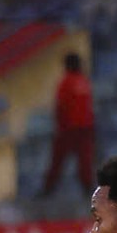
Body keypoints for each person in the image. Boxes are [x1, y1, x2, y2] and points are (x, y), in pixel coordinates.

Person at [39, 53, 95, 198]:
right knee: (84, 162)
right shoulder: (84, 82)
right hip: (82, 129)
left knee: (58, 161)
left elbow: (60, 107)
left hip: (69, 129)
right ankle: (87, 191)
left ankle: (48, 190)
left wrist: (60, 127)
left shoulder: (66, 82)